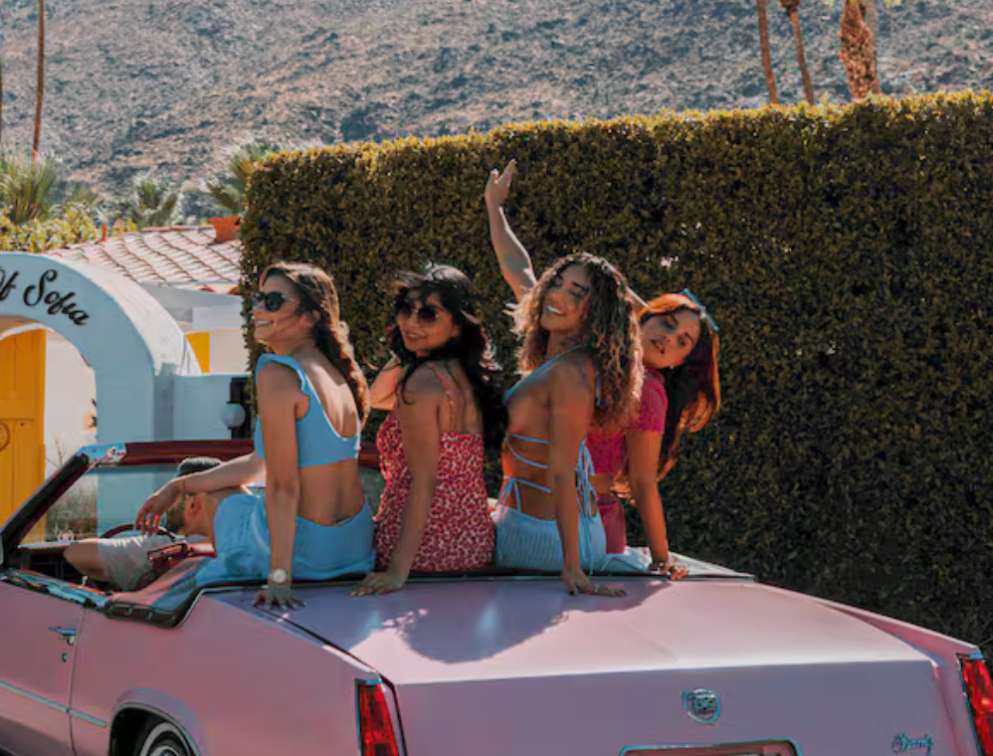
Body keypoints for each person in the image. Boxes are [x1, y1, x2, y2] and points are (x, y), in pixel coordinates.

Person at [484, 158, 721, 576]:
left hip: (585, 523)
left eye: (681, 341)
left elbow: (643, 484)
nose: (667, 339)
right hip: (538, 516)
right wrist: (495, 209)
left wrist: (662, 559)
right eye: (664, 324)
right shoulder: (574, 341)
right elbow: (520, 272)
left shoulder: (640, 387)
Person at [139, 262, 372, 608]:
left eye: (274, 301)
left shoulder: (277, 371)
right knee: (225, 492)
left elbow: (282, 484)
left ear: (310, 316)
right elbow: (264, 463)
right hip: (354, 545)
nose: (259, 308)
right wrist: (181, 485)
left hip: (305, 552)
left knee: (222, 508)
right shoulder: (338, 375)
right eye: (258, 298)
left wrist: (279, 576)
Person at [492, 252, 642, 594]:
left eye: (577, 292)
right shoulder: (560, 364)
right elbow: (518, 270)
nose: (557, 295)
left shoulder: (571, 372)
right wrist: (493, 208)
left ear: (597, 311)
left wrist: (572, 567)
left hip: (546, 543)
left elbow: (562, 470)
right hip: (535, 529)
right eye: (555, 283)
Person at [353, 266, 505, 595]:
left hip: (422, 552)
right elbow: (377, 398)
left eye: (428, 315)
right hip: (473, 545)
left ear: (456, 327)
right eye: (406, 310)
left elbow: (425, 481)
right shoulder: (467, 377)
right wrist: (409, 350)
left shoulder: (422, 384)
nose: (411, 322)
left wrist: (396, 572)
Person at [63, 457, 222, 590]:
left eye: (172, 496)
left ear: (193, 503)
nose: (166, 506)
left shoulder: (166, 550)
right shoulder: (238, 548)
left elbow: (76, 553)